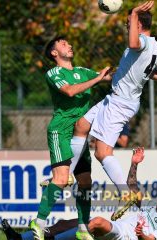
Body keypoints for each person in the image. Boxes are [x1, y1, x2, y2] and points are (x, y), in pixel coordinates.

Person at [66, 0, 157, 221]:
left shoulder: (141, 42)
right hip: (117, 98)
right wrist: (140, 75)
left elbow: (133, 44)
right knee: (81, 125)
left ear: (139, 25)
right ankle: (64, 174)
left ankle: (126, 194)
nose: (127, 26)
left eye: (129, 23)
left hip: (120, 103)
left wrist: (133, 11)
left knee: (102, 152)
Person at [2, 147, 157, 240]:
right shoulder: (151, 206)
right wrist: (135, 163)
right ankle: (20, 238)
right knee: (69, 222)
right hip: (117, 228)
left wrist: (142, 234)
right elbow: (131, 186)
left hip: (125, 237)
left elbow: (151, 239)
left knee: (94, 222)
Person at [30, 36, 112, 240]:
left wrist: (135, 65)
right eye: (63, 43)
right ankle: (38, 222)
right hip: (61, 131)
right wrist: (97, 79)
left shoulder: (83, 71)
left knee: (85, 182)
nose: (70, 45)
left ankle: (83, 229)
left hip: (80, 134)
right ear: (54, 53)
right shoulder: (54, 72)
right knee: (61, 179)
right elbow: (69, 91)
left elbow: (110, 76)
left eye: (69, 43)